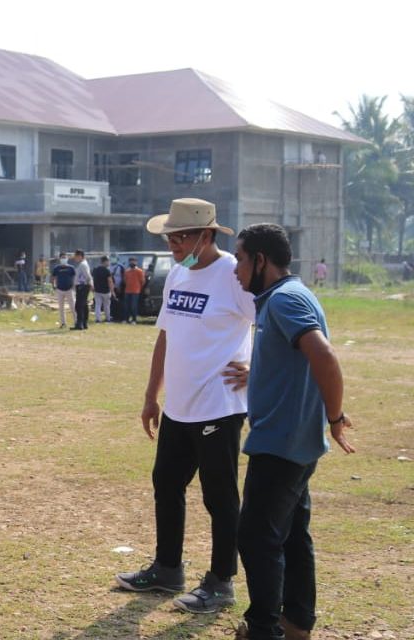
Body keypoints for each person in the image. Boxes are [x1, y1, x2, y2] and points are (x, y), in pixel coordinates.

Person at [115, 198, 255, 615]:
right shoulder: (177, 273)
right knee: (167, 483)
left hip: (220, 405)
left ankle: (220, 582)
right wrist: (150, 395)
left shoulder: (233, 274)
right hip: (179, 404)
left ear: (207, 235)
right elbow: (165, 335)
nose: (174, 244)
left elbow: (269, 319)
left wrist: (256, 368)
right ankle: (167, 569)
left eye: (182, 236)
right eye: (170, 237)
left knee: (219, 497)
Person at [229, 223, 355, 640]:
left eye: (242, 259)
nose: (236, 270)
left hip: (281, 445)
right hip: (294, 442)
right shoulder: (283, 298)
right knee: (292, 536)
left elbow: (323, 354)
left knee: (255, 537)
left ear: (262, 260)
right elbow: (297, 358)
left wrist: (335, 418)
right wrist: (258, 371)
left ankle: (264, 629)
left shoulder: (284, 299)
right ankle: (298, 622)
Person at [50, 252, 75, 328]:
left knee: (73, 306)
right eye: (62, 258)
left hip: (69, 289)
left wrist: (74, 287)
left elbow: (74, 277)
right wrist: (53, 285)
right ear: (60, 259)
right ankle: (63, 323)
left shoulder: (71, 268)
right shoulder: (57, 268)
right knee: (61, 308)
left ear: (67, 258)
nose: (64, 259)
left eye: (65, 257)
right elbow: (53, 277)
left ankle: (77, 321)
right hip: (60, 289)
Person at [72, 250, 92, 330]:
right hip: (83, 286)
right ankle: (84, 323)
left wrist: (86, 284)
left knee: (79, 306)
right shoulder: (83, 264)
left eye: (76, 256)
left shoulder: (83, 264)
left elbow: (87, 276)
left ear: (80, 256)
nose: (75, 258)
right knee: (84, 305)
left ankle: (80, 323)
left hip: (82, 286)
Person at [123, 257, 146, 324]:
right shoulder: (126, 271)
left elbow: (142, 281)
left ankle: (134, 320)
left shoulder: (139, 271)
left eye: (133, 261)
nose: (132, 263)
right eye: (131, 261)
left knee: (134, 306)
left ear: (136, 262)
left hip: (136, 291)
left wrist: (139, 288)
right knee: (126, 306)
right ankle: (126, 319)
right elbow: (125, 280)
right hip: (127, 291)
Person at [92, 256, 114, 323]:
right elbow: (110, 281)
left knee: (98, 305)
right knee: (106, 306)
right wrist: (112, 291)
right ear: (105, 262)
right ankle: (108, 318)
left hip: (97, 290)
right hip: (106, 291)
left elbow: (93, 279)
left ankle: (98, 319)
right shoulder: (107, 270)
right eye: (108, 261)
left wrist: (92, 288)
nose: (109, 263)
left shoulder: (95, 269)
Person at [110, 254, 126, 321]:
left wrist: (121, 287)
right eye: (112, 258)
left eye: (114, 258)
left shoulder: (121, 267)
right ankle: (113, 316)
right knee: (112, 303)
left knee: (120, 303)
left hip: (119, 288)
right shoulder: (109, 266)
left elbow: (124, 278)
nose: (113, 259)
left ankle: (121, 317)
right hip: (112, 288)